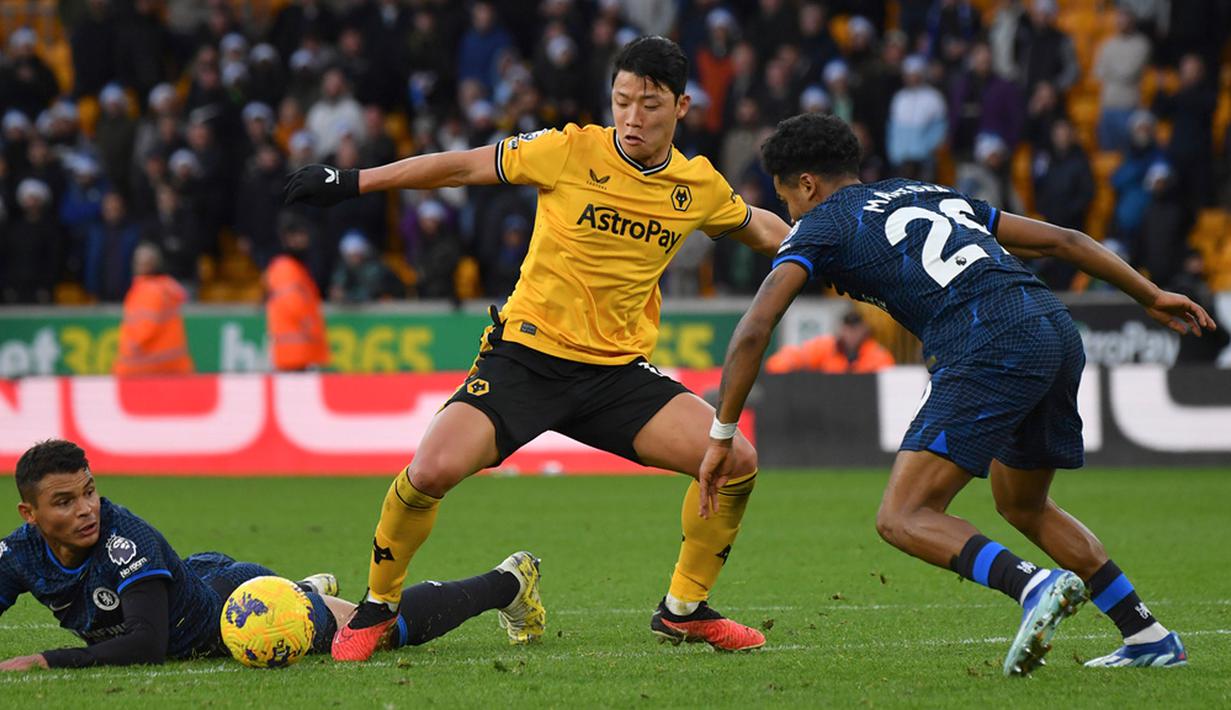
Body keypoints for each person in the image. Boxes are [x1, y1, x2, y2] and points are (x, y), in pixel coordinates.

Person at [284, 36, 790, 661]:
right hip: (526, 359)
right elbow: (463, 165)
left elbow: (757, 226)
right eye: (622, 101)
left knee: (735, 460)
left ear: (682, 107)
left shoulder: (696, 185)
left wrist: (818, 246)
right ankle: (377, 607)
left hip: (616, 377)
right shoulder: (568, 149)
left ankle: (684, 609)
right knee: (430, 471)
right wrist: (356, 180)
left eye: (650, 105)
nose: (632, 117)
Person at [700, 114, 1214, 676]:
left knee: (903, 515)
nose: (791, 215)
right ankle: (1147, 634)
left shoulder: (820, 224)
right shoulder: (928, 190)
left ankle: (1033, 585)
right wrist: (1151, 294)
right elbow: (1064, 241)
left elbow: (754, 329)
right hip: (1053, 328)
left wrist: (723, 432)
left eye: (787, 199)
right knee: (1021, 503)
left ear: (806, 184)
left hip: (986, 340)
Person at [0, 439, 544, 671]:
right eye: (64, 502)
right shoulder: (18, 552)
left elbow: (146, 644)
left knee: (372, 631)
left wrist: (47, 661)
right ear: (29, 514)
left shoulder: (125, 542)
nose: (86, 509)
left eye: (89, 491)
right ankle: (306, 593)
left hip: (235, 612)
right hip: (198, 578)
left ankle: (509, 581)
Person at [114, 243, 194, 377]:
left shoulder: (147, 291)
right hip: (174, 367)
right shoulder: (167, 288)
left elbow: (143, 331)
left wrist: (125, 359)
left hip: (144, 369)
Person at [264, 214, 328, 372]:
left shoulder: (295, 267)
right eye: (300, 235)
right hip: (294, 351)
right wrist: (310, 325)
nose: (304, 240)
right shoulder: (286, 268)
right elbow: (294, 304)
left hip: (298, 352)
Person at [765, 310, 895, 374]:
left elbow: (888, 382)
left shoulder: (878, 355)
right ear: (841, 329)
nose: (851, 334)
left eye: (855, 329)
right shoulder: (826, 347)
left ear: (864, 330)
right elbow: (780, 362)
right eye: (847, 328)